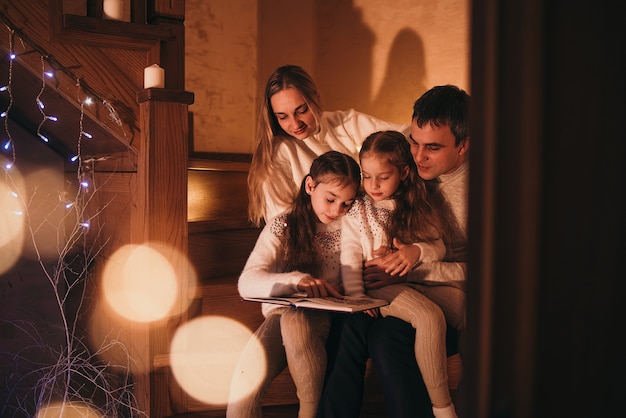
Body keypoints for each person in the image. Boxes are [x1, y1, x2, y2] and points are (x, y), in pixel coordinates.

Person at [318, 85, 470, 418]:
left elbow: (487, 273)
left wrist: (412, 264)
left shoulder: (486, 187)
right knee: (346, 327)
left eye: (432, 147)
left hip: (449, 293)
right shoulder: (404, 165)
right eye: (414, 142)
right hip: (397, 287)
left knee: (387, 340)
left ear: (463, 145)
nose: (417, 156)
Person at [226, 151, 361, 418]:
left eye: (346, 203)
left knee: (295, 322)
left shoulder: (354, 225)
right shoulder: (283, 225)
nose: (336, 211)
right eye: (330, 199)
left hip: (328, 314)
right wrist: (297, 280)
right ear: (310, 186)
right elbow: (247, 283)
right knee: (243, 390)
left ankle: (309, 411)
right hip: (283, 312)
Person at [340, 130, 458, 417]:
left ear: (404, 172)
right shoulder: (359, 210)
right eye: (367, 176)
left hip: (414, 282)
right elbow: (350, 252)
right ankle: (443, 408)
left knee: (468, 310)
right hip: (376, 287)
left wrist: (415, 250)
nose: (373, 185)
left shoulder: (417, 203)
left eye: (382, 176)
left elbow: (439, 246)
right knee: (429, 317)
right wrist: (356, 294)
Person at [247, 64, 409, 227]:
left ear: (317, 98)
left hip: (360, 234)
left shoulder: (342, 122)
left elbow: (406, 135)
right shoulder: (278, 153)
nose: (295, 124)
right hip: (312, 244)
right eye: (283, 117)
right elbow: (280, 225)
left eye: (302, 110)